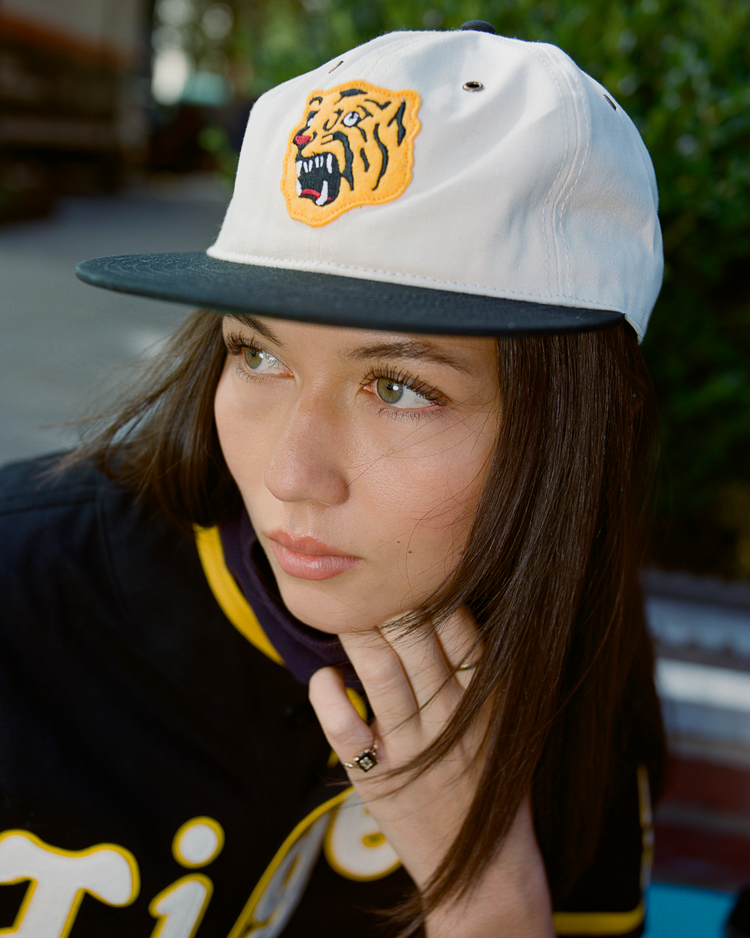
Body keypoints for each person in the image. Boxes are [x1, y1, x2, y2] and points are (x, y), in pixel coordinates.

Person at [0, 22, 665, 938]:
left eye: (399, 388)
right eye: (257, 355)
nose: (287, 474)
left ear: (580, 430)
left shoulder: (570, 654)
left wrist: (490, 897)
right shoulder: (23, 591)